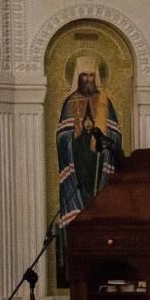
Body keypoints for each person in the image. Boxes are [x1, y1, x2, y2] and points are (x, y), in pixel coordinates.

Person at [56, 55, 122, 280]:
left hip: (99, 167)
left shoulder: (104, 102)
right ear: (77, 77)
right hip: (77, 169)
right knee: (80, 213)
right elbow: (60, 138)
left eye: (91, 75)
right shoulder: (70, 103)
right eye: (84, 75)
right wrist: (73, 135)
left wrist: (106, 138)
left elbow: (116, 136)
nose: (88, 79)